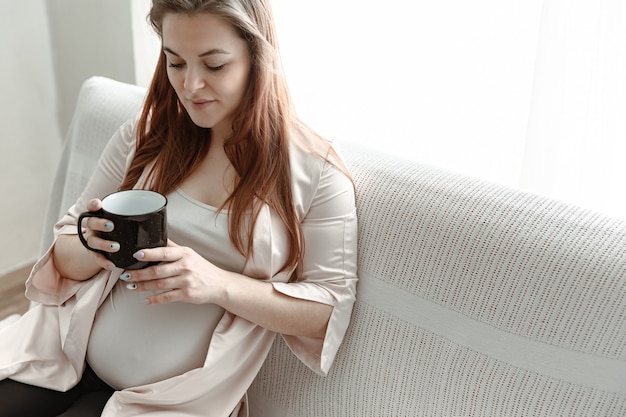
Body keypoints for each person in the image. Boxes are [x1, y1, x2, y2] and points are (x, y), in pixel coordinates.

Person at [0, 0, 358, 416]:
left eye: (214, 65)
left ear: (257, 58)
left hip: (167, 403)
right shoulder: (145, 138)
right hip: (65, 354)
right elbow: (65, 248)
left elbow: (326, 311)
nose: (190, 85)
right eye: (176, 63)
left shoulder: (318, 175)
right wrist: (93, 244)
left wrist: (216, 283)